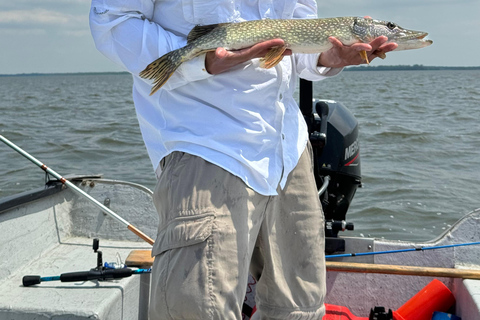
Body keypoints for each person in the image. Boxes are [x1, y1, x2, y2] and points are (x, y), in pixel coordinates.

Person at [89, 1, 397, 319]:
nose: (395, 33)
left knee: (299, 309)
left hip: (287, 147)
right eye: (389, 28)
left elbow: (298, 38)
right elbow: (111, 20)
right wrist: (197, 58)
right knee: (199, 308)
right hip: (205, 144)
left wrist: (326, 57)